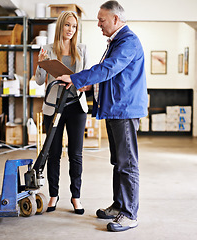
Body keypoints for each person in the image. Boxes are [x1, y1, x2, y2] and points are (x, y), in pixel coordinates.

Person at [57, 0, 148, 232]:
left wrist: (77, 79)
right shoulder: (116, 42)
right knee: (118, 162)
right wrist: (88, 87)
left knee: (127, 163)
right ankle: (119, 206)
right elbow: (111, 75)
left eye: (101, 19)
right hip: (116, 109)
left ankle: (129, 214)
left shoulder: (128, 42)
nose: (98, 24)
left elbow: (110, 68)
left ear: (115, 19)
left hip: (125, 110)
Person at [35, 11, 89, 215]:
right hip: (53, 106)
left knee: (76, 154)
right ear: (60, 26)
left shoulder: (82, 49)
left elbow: (86, 77)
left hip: (76, 107)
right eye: (67, 25)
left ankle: (76, 197)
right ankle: (53, 195)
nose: (70, 30)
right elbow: (40, 81)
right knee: (53, 153)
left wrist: (79, 82)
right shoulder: (47, 49)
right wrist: (40, 64)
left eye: (74, 27)